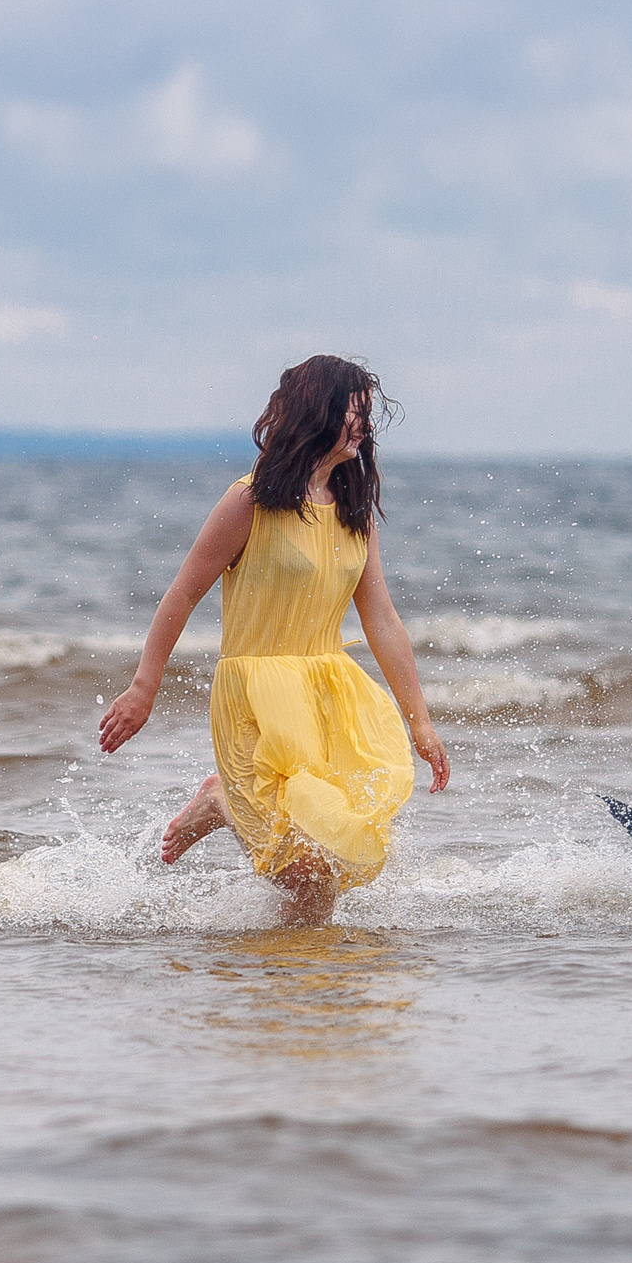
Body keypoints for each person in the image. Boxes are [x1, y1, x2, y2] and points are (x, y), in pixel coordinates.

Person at [97, 355, 449, 926]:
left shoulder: (353, 510)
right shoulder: (250, 501)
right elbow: (183, 593)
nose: (364, 426)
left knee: (328, 869)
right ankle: (225, 807)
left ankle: (289, 987)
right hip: (256, 694)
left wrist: (420, 721)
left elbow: (381, 618)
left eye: (367, 415)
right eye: (353, 414)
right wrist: (143, 688)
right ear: (318, 415)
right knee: (300, 870)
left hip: (326, 692)